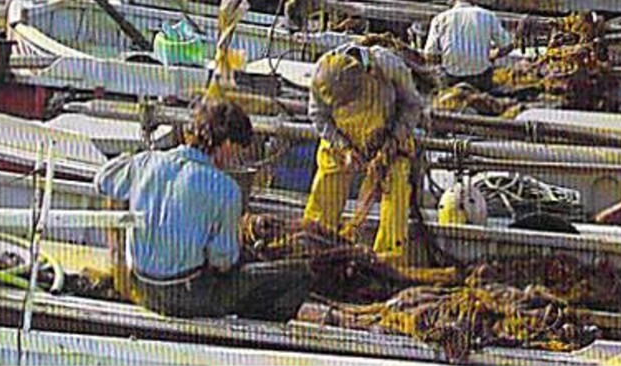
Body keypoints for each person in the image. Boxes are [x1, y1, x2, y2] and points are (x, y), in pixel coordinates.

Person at [94, 99, 301, 320]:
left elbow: (102, 181)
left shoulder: (145, 162)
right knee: (296, 276)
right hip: (185, 297)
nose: (236, 160)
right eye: (238, 152)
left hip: (140, 285)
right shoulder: (226, 189)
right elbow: (222, 261)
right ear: (227, 144)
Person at [305, 42, 423, 259]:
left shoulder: (388, 66)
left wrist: (393, 140)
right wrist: (344, 147)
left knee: (396, 186)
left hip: (386, 140)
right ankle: (313, 244)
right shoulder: (322, 72)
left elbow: (412, 106)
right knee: (326, 184)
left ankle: (388, 257)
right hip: (342, 141)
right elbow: (318, 116)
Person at [422, 0, 513, 92]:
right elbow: (508, 45)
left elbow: (429, 54)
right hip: (481, 79)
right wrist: (491, 55)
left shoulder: (440, 19)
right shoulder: (487, 15)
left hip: (452, 79)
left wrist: (447, 59)